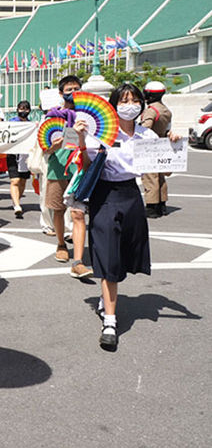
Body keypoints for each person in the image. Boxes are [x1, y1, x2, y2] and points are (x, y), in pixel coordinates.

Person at [76, 83, 181, 350]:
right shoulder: (101, 134)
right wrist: (81, 140)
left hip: (131, 196)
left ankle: (105, 297)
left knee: (123, 253)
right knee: (108, 254)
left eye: (135, 99)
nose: (130, 104)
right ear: (113, 104)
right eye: (123, 100)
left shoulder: (146, 135)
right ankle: (110, 321)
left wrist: (172, 145)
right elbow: (86, 167)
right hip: (104, 195)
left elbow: (164, 171)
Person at [43, 76, 92, 278]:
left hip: (80, 165)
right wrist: (59, 142)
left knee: (78, 212)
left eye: (77, 88)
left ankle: (78, 259)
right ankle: (61, 243)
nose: (73, 91)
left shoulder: (88, 115)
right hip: (58, 165)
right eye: (69, 88)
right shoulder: (53, 116)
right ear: (61, 92)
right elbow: (45, 146)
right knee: (57, 207)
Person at [140, 81, 173, 218]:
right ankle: (162, 203)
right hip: (162, 144)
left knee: (150, 177)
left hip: (150, 146)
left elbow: (146, 128)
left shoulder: (151, 110)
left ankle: (152, 207)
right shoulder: (166, 110)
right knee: (160, 176)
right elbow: (167, 129)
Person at [7, 100, 33, 218]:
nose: (23, 111)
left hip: (25, 156)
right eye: (21, 108)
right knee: (15, 180)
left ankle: (17, 200)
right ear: (17, 109)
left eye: (26, 109)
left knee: (22, 181)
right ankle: (17, 205)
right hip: (13, 154)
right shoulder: (12, 122)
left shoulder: (31, 124)